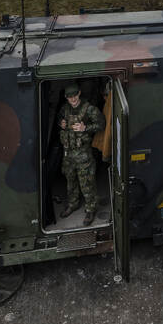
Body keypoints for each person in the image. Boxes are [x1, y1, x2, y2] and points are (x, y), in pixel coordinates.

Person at [57, 80, 104, 225]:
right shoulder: (65, 109)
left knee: (87, 183)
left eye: (74, 95)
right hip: (68, 154)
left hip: (83, 154)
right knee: (70, 182)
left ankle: (91, 209)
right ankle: (73, 204)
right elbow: (59, 119)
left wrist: (85, 128)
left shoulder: (89, 109)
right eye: (69, 97)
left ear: (79, 93)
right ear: (66, 97)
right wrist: (61, 123)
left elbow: (101, 124)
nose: (73, 99)